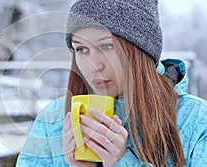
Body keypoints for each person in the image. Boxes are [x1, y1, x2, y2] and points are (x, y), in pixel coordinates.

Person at [16, 0, 207, 166]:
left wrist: (123, 163)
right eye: (81, 49)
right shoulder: (52, 122)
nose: (93, 66)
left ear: (141, 50)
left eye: (107, 46)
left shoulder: (198, 121)